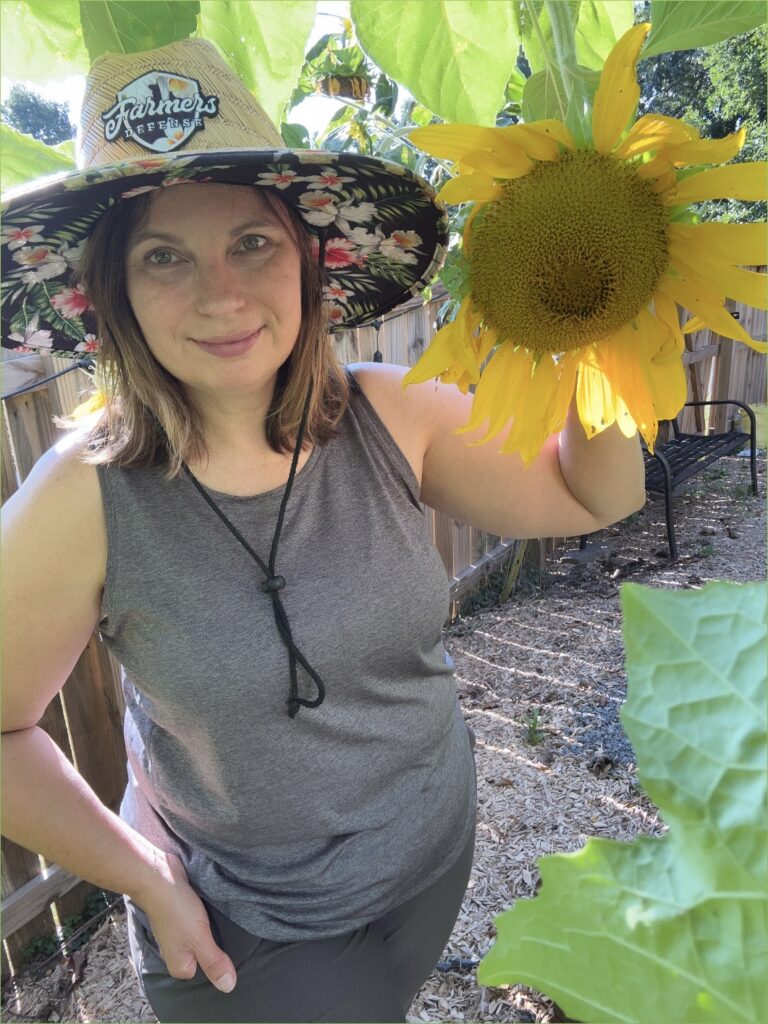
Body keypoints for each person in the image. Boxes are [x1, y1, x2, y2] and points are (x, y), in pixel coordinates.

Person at [1, 38, 646, 1024]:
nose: (218, 293)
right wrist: (144, 876)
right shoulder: (84, 496)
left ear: (308, 255)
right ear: (113, 289)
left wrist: (604, 313)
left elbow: (593, 494)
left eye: (250, 242)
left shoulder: (394, 414)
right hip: (241, 933)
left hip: (431, 857)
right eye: (164, 255)